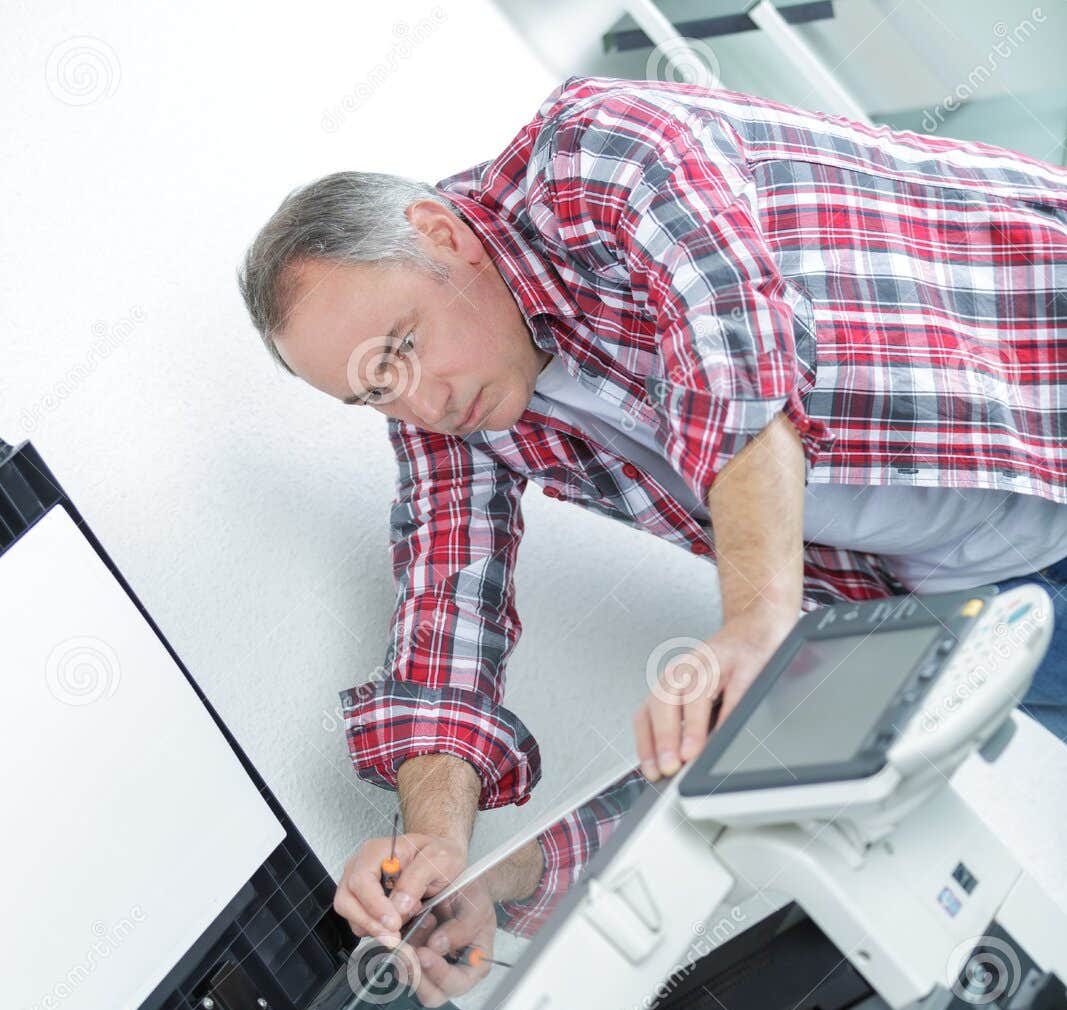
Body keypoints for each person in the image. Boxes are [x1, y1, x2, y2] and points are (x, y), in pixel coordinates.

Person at [237, 76, 1067, 945]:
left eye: (402, 347)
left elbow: (733, 352)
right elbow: (444, 611)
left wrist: (752, 628)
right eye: (375, 392)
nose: (421, 404)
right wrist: (442, 851)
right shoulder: (457, 405)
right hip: (989, 598)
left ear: (445, 238)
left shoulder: (594, 151)